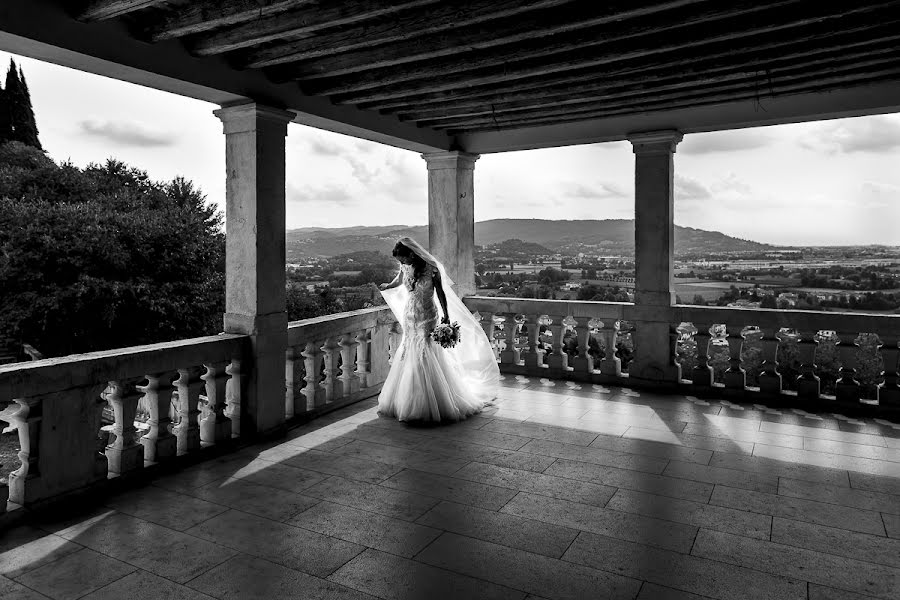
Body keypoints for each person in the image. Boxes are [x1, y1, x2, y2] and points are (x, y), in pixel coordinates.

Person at [376, 237, 499, 422]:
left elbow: (440, 292)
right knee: (409, 350)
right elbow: (399, 280)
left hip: (427, 315)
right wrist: (389, 286)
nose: (402, 263)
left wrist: (446, 315)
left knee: (426, 351)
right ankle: (406, 395)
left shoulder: (431, 268)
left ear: (411, 253)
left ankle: (430, 399)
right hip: (410, 315)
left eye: (403, 259)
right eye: (400, 262)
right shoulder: (405, 267)